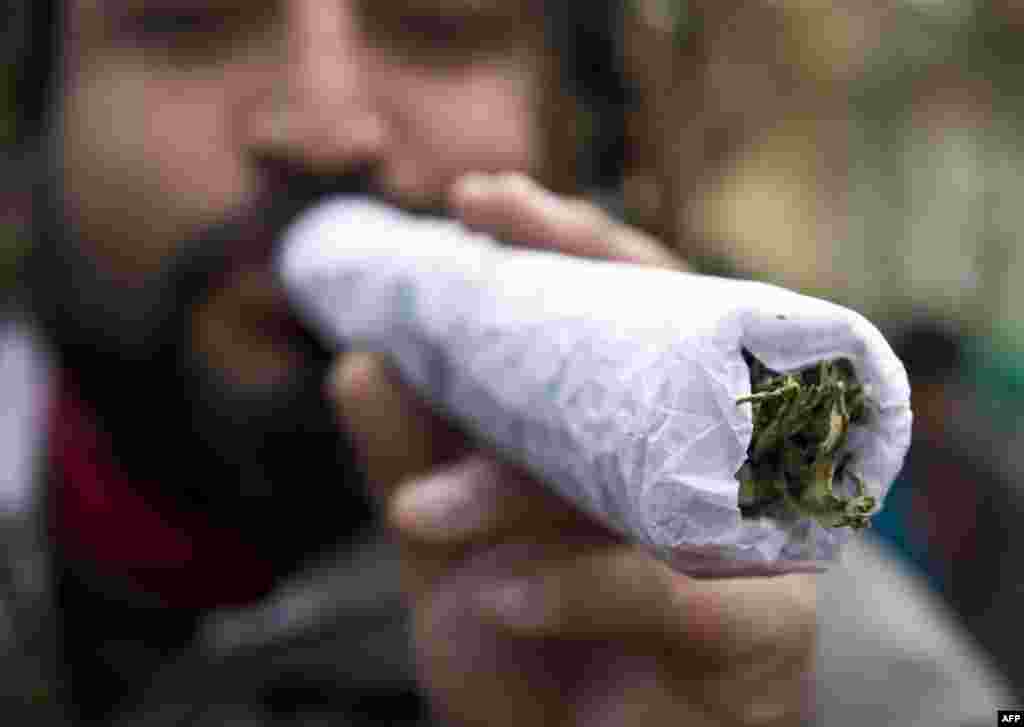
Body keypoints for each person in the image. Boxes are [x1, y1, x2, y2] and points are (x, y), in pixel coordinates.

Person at [1, 0, 817, 724]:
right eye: (189, 19)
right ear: (34, 103)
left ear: (582, 117)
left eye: (441, 25)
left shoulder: (818, 681)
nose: (324, 132)